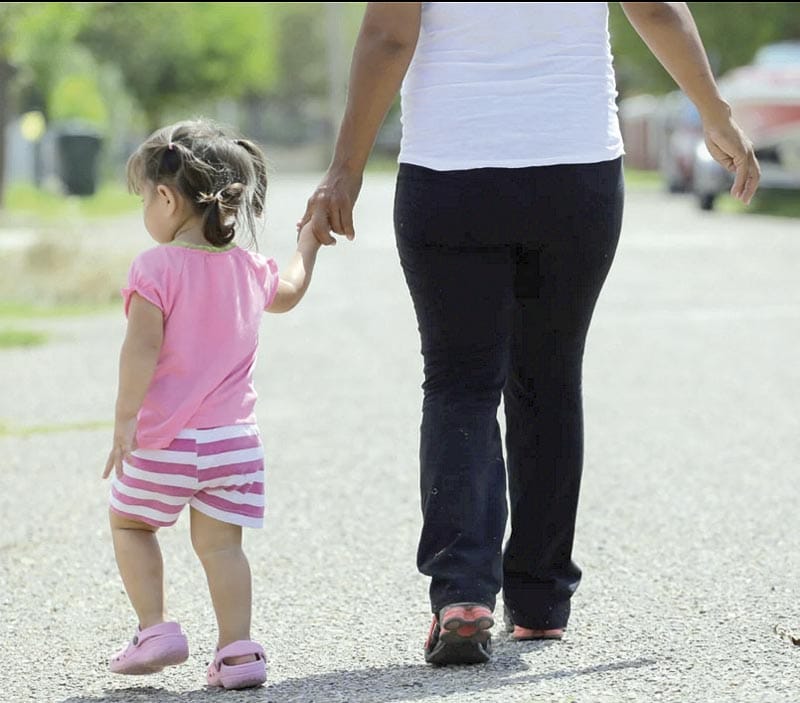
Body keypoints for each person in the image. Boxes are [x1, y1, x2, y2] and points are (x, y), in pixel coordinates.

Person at [299, 2, 760, 666]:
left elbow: (388, 35)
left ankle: (462, 594)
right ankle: (541, 601)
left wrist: (345, 167)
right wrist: (715, 113)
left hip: (452, 172)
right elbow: (657, 9)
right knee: (549, 376)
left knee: (460, 383)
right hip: (575, 171)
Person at [101, 118, 321, 689]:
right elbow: (292, 290)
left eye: (144, 200)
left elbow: (141, 349)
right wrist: (306, 242)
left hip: (165, 442)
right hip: (234, 446)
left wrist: (124, 420)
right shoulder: (249, 268)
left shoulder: (154, 268)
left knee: (130, 523)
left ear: (167, 198)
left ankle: (156, 629)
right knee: (223, 548)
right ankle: (238, 652)